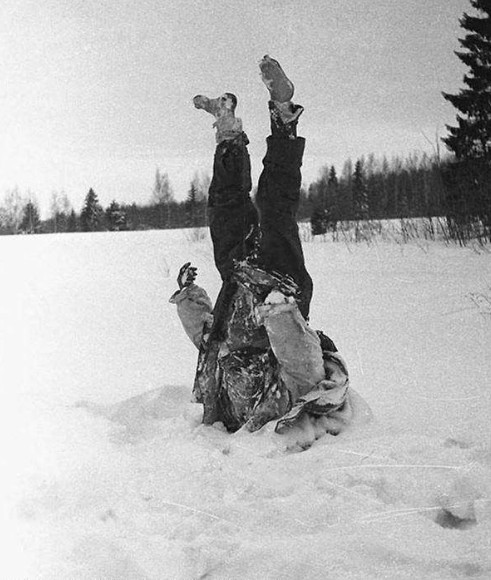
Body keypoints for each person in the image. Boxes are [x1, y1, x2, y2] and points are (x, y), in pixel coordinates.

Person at [169, 56, 354, 440]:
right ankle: (284, 117)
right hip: (278, 283)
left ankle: (228, 133)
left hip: (237, 279)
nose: (236, 383)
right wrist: (282, 312)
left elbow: (205, 338)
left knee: (224, 207)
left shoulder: (221, 390)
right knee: (274, 205)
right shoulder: (282, 397)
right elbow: (304, 369)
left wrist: (188, 295)